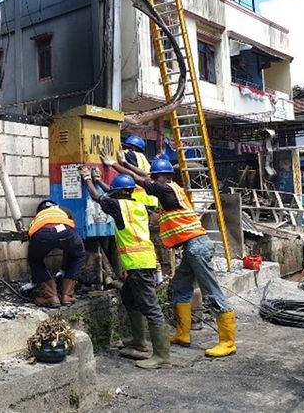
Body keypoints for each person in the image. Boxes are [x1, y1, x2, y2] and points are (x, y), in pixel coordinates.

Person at [100, 149, 237, 358]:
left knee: (212, 291)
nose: (154, 180)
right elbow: (145, 178)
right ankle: (183, 333)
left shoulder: (166, 190)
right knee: (180, 287)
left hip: (197, 247)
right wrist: (123, 165)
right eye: (154, 176)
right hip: (191, 249)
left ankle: (228, 342)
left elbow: (143, 180)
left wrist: (114, 165)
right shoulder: (170, 192)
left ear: (165, 177)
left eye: (157, 177)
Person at [81, 168, 171, 369]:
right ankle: (138, 342)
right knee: (129, 297)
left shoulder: (117, 205)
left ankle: (162, 356)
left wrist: (88, 180)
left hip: (138, 263)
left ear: (119, 193)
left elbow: (98, 197)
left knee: (151, 308)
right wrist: (100, 179)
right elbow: (111, 193)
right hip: (141, 261)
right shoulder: (138, 205)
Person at [27, 199, 86, 308]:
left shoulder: (38, 217)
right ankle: (67, 295)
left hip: (42, 234)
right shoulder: (63, 210)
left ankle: (51, 297)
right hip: (65, 230)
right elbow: (72, 231)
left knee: (34, 260)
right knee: (78, 255)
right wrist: (63, 269)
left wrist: (35, 281)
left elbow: (32, 240)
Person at [122, 135, 159, 211]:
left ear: (133, 148)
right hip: (151, 199)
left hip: (138, 198)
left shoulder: (130, 153)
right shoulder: (144, 159)